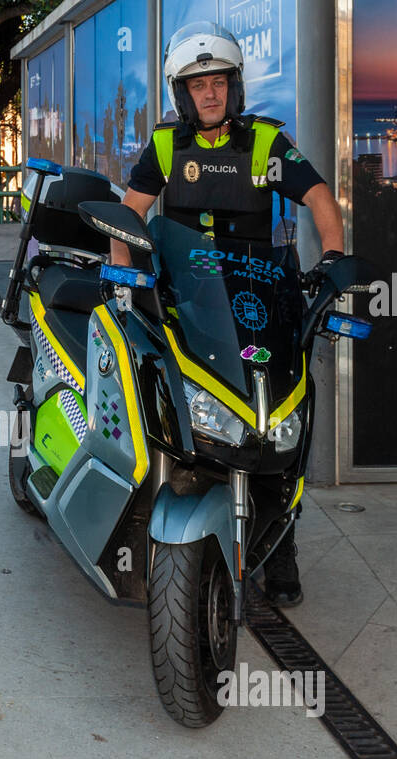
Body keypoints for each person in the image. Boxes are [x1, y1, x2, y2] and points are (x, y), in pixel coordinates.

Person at [112, 22, 344, 608]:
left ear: (234, 87)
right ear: (181, 94)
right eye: (197, 86)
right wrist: (124, 278)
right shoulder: (166, 146)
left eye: (219, 83)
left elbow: (319, 198)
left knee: (284, 403)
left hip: (260, 295)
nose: (209, 94)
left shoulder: (264, 144)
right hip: (188, 298)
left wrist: (334, 259)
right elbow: (129, 215)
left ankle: (283, 537)